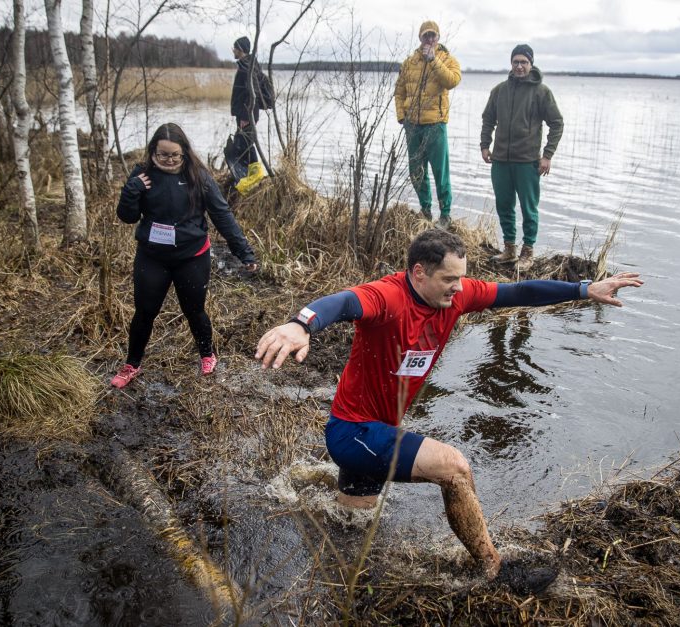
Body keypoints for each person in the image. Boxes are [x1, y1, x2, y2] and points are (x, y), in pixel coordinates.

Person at [255, 229, 642, 594]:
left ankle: (335, 564)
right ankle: (494, 568)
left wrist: (583, 289)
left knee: (351, 524)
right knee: (455, 468)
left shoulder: (456, 297)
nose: (458, 288)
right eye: (449, 279)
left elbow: (518, 291)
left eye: (462, 279)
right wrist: (300, 324)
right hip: (353, 433)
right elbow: (342, 302)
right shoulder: (387, 297)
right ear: (419, 273)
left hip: (373, 434)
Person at [111, 123, 258, 389]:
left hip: (192, 256)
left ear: (184, 153)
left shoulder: (198, 177)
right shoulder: (142, 175)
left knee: (194, 310)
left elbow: (221, 214)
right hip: (152, 257)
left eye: (174, 155)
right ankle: (132, 364)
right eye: (162, 154)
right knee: (145, 311)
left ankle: (207, 354)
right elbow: (127, 216)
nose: (168, 160)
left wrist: (243, 252)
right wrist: (131, 190)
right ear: (153, 151)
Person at [480, 44, 564, 272]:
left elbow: (556, 123)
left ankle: (527, 252)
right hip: (500, 161)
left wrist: (547, 156)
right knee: (504, 205)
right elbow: (488, 118)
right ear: (511, 63)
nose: (519, 66)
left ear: (531, 64)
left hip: (527, 162)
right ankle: (509, 249)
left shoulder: (541, 92)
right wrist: (485, 145)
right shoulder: (499, 91)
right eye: (516, 62)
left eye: (524, 62)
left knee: (529, 208)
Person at [394, 21, 461, 230]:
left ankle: (445, 214)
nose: (429, 39)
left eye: (433, 35)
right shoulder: (409, 63)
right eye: (426, 36)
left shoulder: (447, 59)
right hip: (412, 126)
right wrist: (402, 116)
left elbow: (452, 81)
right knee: (416, 171)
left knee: (441, 171)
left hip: (436, 125)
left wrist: (434, 61)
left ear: (438, 37)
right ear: (420, 38)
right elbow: (399, 92)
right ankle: (425, 209)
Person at [230, 36, 266, 194]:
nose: (233, 50)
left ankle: (255, 175)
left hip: (247, 113)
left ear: (240, 49)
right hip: (245, 112)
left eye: (235, 48)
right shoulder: (248, 65)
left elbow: (253, 93)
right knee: (244, 142)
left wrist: (246, 116)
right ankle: (248, 174)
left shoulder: (247, 67)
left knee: (247, 142)